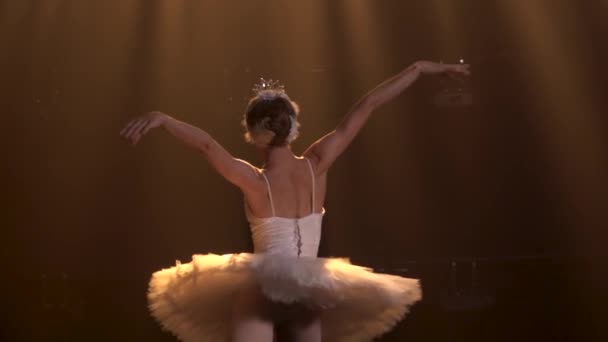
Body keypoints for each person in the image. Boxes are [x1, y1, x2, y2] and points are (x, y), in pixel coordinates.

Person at [120, 60, 470, 342]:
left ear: (257, 133)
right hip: (310, 289)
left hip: (264, 289)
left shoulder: (256, 181)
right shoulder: (318, 164)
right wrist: (419, 69)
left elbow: (207, 145)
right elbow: (369, 105)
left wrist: (164, 120)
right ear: (292, 128)